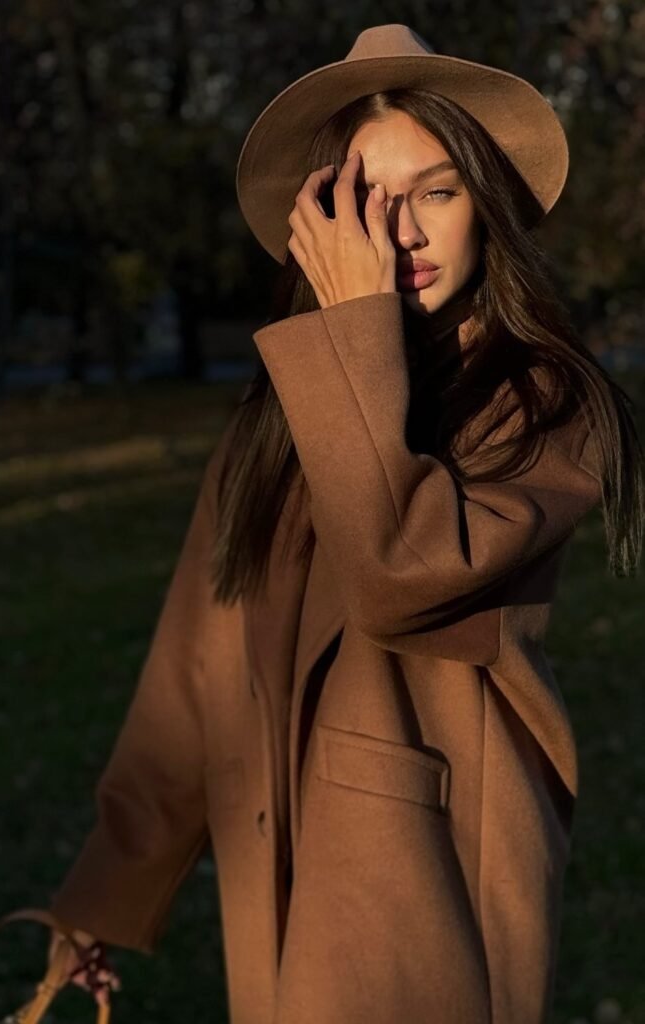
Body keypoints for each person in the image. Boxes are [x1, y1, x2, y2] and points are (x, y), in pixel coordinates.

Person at [45, 23, 643, 1024]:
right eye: (367, 198)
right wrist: (107, 890)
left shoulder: (541, 405)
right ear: (317, 219)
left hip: (432, 892)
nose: (399, 232)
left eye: (435, 193)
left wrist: (353, 325)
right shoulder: (280, 414)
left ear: (484, 208)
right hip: (280, 883)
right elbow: (195, 667)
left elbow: (400, 572)